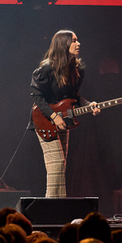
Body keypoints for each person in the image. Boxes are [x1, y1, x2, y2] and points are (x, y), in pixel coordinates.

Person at [30, 29, 99, 198]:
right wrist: (53, 116)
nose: (78, 44)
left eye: (77, 40)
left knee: (60, 172)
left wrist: (89, 105)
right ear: (63, 45)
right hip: (44, 119)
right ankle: (48, 212)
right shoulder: (46, 69)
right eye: (74, 41)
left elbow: (75, 97)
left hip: (64, 120)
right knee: (57, 166)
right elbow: (37, 96)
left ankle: (59, 212)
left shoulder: (77, 70)